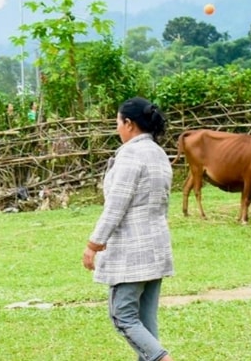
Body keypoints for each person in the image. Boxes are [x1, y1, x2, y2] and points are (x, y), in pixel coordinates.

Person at [82, 97, 175, 361]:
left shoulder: (131, 155)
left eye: (118, 123)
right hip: (156, 247)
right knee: (146, 322)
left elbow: (116, 206)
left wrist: (93, 244)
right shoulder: (158, 153)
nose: (117, 129)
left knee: (123, 316)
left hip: (132, 252)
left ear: (129, 124)